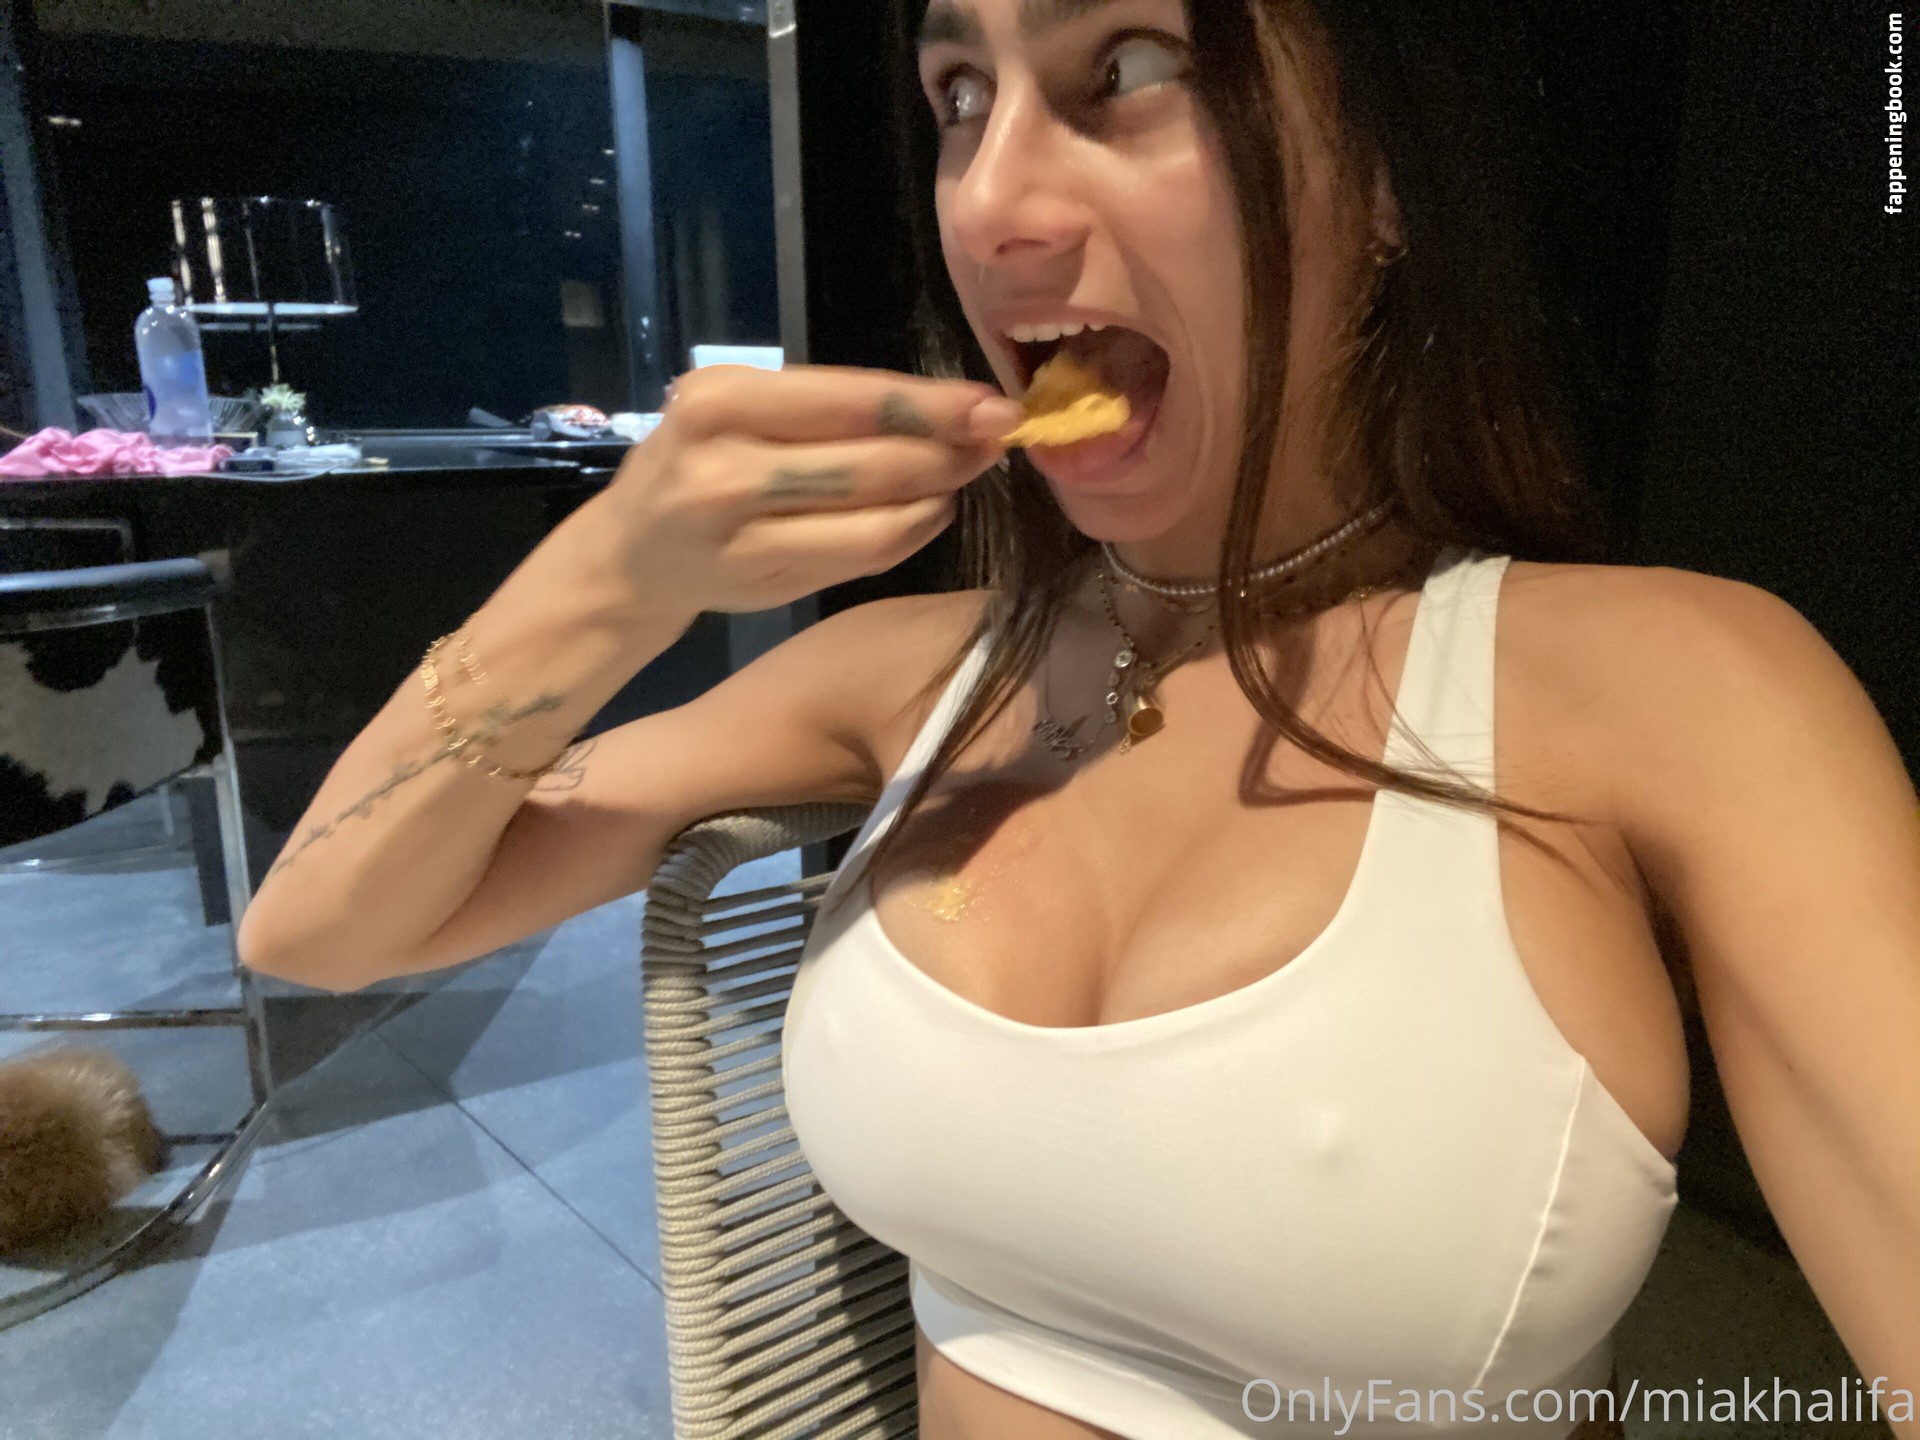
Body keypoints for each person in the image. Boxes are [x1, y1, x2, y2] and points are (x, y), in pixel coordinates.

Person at [237, 0, 1920, 1436]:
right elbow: (323, 928)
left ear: (1385, 179)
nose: (990, 202)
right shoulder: (907, 674)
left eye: (1126, 68)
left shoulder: (1673, 692)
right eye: (960, 97)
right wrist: (611, 577)